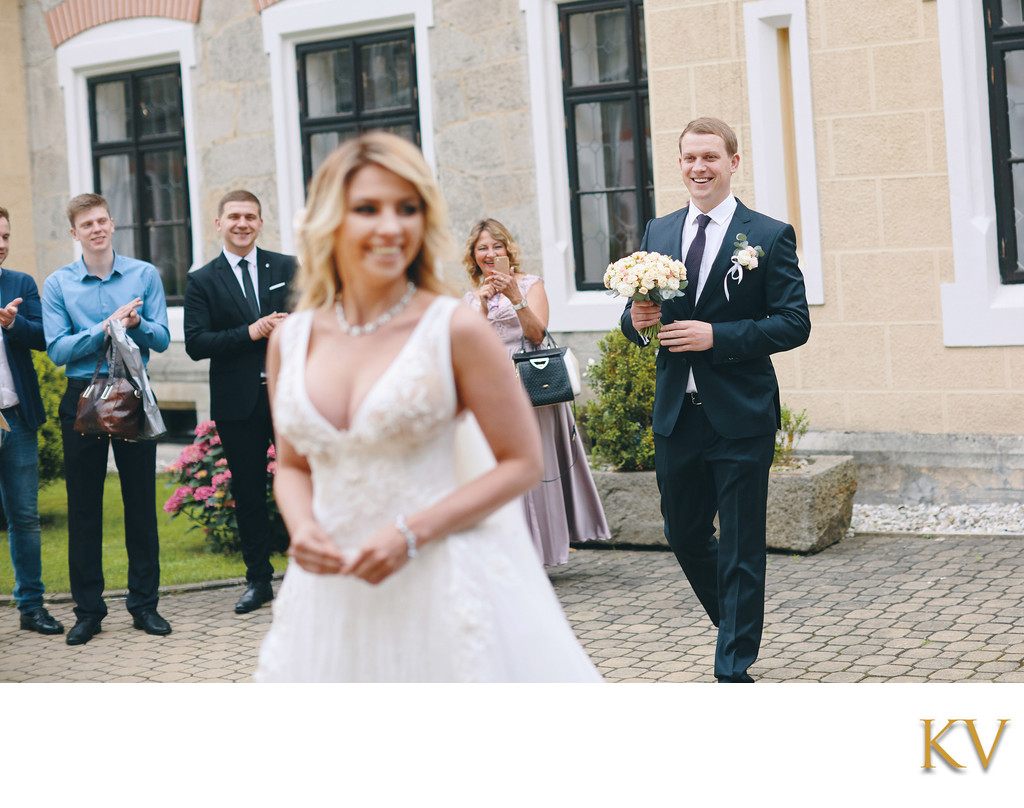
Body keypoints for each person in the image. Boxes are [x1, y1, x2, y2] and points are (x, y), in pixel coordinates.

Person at [254, 132, 600, 682]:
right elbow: (294, 466)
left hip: (440, 576)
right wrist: (301, 528)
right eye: (367, 208)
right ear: (329, 221)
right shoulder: (289, 341)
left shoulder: (454, 327)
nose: (391, 226)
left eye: (407, 208)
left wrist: (410, 533)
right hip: (329, 589)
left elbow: (522, 461)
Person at [621, 117, 810, 682]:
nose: (698, 168)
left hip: (741, 413)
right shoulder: (658, 231)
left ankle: (733, 668)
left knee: (741, 543)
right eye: (688, 158)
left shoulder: (768, 235)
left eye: (710, 157)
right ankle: (735, 621)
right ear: (679, 164)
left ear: (732, 161)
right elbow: (639, 322)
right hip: (678, 412)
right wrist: (636, 320)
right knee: (682, 532)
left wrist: (717, 337)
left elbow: (793, 323)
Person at [42, 193, 172, 646]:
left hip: (133, 390)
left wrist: (134, 324)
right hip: (82, 396)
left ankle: (144, 605)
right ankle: (89, 612)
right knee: (83, 507)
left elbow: (164, 337)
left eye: (102, 221)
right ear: (74, 233)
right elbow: (58, 350)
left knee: (139, 502)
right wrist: (105, 326)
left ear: (112, 223)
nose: (96, 229)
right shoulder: (58, 284)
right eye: (86, 224)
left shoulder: (144, 274)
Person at [461, 220, 610, 565]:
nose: (490, 253)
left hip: (533, 386)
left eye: (497, 246)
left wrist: (515, 297)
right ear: (473, 255)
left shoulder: (531, 285)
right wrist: (482, 306)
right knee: (498, 468)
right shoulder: (470, 298)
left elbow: (538, 335)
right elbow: (471, 348)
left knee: (537, 468)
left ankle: (542, 551)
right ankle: (513, 553)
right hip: (490, 393)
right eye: (482, 248)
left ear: (508, 250)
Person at [184, 190, 295, 614]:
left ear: (261, 223)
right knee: (248, 493)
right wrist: (252, 331)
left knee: (302, 484)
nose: (242, 223)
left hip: (288, 397)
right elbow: (195, 343)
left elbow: (309, 318)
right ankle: (259, 581)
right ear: (219, 224)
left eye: (250, 216)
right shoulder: (202, 279)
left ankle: (308, 574)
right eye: (234, 216)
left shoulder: (286, 267)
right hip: (238, 404)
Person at [0, 206, 62, 635]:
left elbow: (45, 336)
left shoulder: (20, 284)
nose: (2, 244)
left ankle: (31, 607)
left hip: (15, 418)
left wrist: (14, 323)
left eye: (5, 236)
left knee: (24, 516)